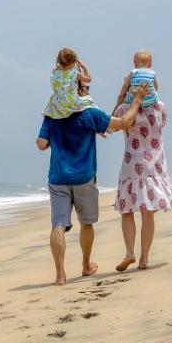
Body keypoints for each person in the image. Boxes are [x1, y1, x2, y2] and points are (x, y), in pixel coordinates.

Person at [36, 79, 150, 285]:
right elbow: (124, 123)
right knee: (86, 223)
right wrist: (137, 101)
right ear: (77, 89)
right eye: (86, 88)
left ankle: (60, 274)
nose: (88, 91)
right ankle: (86, 265)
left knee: (58, 224)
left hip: (58, 177)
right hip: (84, 177)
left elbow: (41, 144)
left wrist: (57, 135)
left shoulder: (52, 115)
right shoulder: (90, 113)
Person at [112, 95, 172, 271]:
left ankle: (129, 252)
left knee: (126, 211)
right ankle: (144, 259)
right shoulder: (160, 107)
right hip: (154, 165)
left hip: (131, 164)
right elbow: (162, 124)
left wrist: (120, 97)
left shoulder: (124, 109)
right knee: (148, 213)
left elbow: (110, 126)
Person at [42, 47, 94, 119]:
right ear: (73, 62)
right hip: (70, 103)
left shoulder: (54, 72)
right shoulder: (74, 74)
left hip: (56, 104)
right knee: (90, 102)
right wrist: (84, 67)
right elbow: (88, 79)